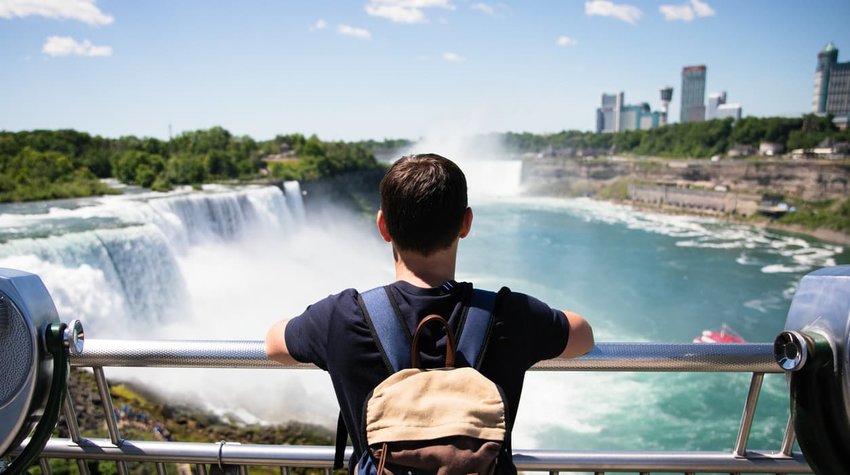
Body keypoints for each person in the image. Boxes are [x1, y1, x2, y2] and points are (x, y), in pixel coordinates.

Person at [265, 153, 594, 473]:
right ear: (466, 223)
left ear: (383, 226)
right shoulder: (510, 315)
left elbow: (273, 345)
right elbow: (582, 336)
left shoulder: (339, 317)